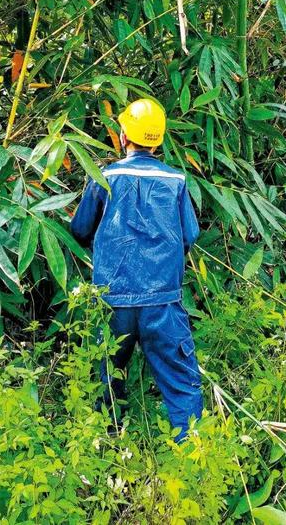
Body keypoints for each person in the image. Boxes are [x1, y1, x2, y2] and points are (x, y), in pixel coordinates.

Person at [70, 97, 203, 440]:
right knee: (181, 384)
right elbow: (190, 235)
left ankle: (110, 449)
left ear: (123, 134)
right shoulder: (176, 181)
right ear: (158, 140)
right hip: (162, 301)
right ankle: (192, 455)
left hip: (113, 299)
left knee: (107, 378)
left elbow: (80, 230)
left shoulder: (105, 177)